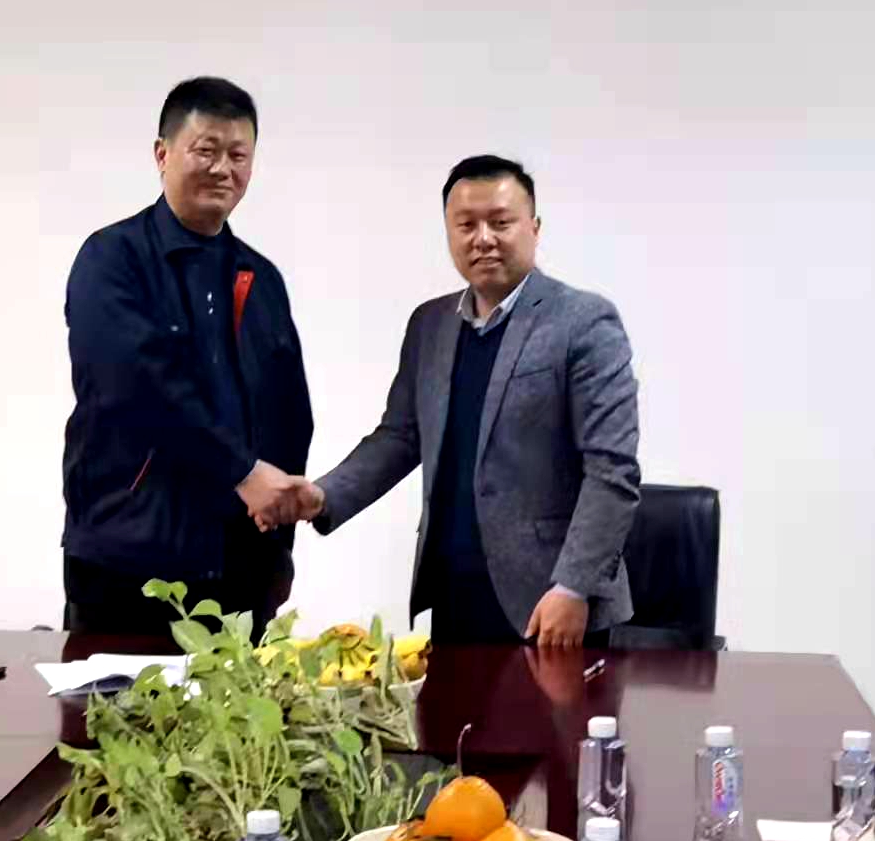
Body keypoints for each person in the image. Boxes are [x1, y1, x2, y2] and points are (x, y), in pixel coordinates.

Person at [266, 155, 640, 648]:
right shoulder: (430, 324)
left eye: (501, 222)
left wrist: (575, 587)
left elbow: (612, 471)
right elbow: (400, 437)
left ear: (534, 228)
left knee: (554, 707)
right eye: (466, 225)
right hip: (454, 589)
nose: (483, 238)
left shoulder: (584, 322)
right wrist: (324, 495)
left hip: (551, 602)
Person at [60, 77, 312, 638]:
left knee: (243, 700)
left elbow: (290, 415)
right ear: (162, 153)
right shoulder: (112, 260)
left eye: (238, 155)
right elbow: (136, 388)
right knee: (117, 698)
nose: (223, 168)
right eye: (206, 150)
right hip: (129, 565)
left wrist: (278, 534)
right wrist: (243, 471)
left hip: (241, 569)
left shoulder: (260, 277)